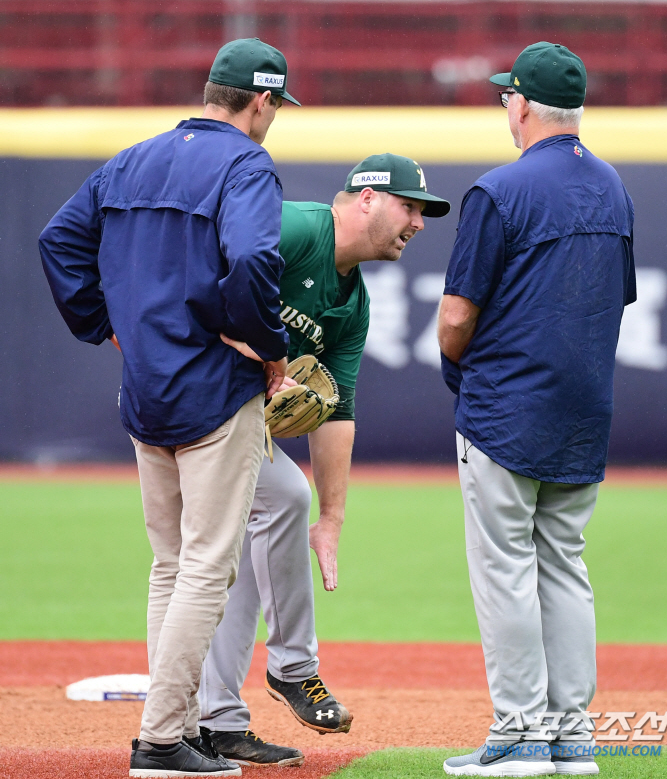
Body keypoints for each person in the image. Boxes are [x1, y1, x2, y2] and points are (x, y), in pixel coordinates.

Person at [39, 38, 301, 778]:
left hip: (146, 387)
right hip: (214, 387)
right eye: (276, 105)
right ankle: (160, 741)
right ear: (262, 101)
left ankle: (176, 725)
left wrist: (104, 324)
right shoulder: (246, 163)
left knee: (171, 564)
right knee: (207, 566)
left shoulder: (133, 158)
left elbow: (58, 241)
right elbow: (253, 260)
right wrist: (269, 345)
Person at [196, 154, 451, 766]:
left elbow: (338, 409)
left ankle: (219, 720)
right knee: (280, 499)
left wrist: (333, 519)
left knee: (257, 533)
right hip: (189, 397)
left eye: (423, 211)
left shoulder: (353, 303)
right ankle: (290, 670)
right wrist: (246, 341)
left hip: (231, 417)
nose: (418, 222)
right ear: (366, 198)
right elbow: (198, 263)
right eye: (409, 206)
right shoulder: (297, 229)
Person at [437, 42, 636, 777]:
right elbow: (613, 299)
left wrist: (455, 363)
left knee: (507, 569)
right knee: (565, 565)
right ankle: (572, 739)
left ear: (521, 105)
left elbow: (457, 316)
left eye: (506, 97)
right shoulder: (614, 188)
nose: (504, 106)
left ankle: (521, 736)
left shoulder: (501, 189)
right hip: (585, 406)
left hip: (507, 408)